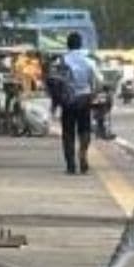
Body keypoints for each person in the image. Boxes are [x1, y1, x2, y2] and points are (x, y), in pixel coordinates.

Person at [52, 32, 101, 175]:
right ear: (80, 44)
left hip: (68, 100)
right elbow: (98, 81)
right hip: (84, 98)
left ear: (68, 45)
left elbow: (56, 82)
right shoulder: (89, 60)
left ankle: (70, 165)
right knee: (84, 129)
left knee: (68, 132)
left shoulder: (62, 60)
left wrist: (56, 101)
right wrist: (93, 94)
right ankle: (83, 153)